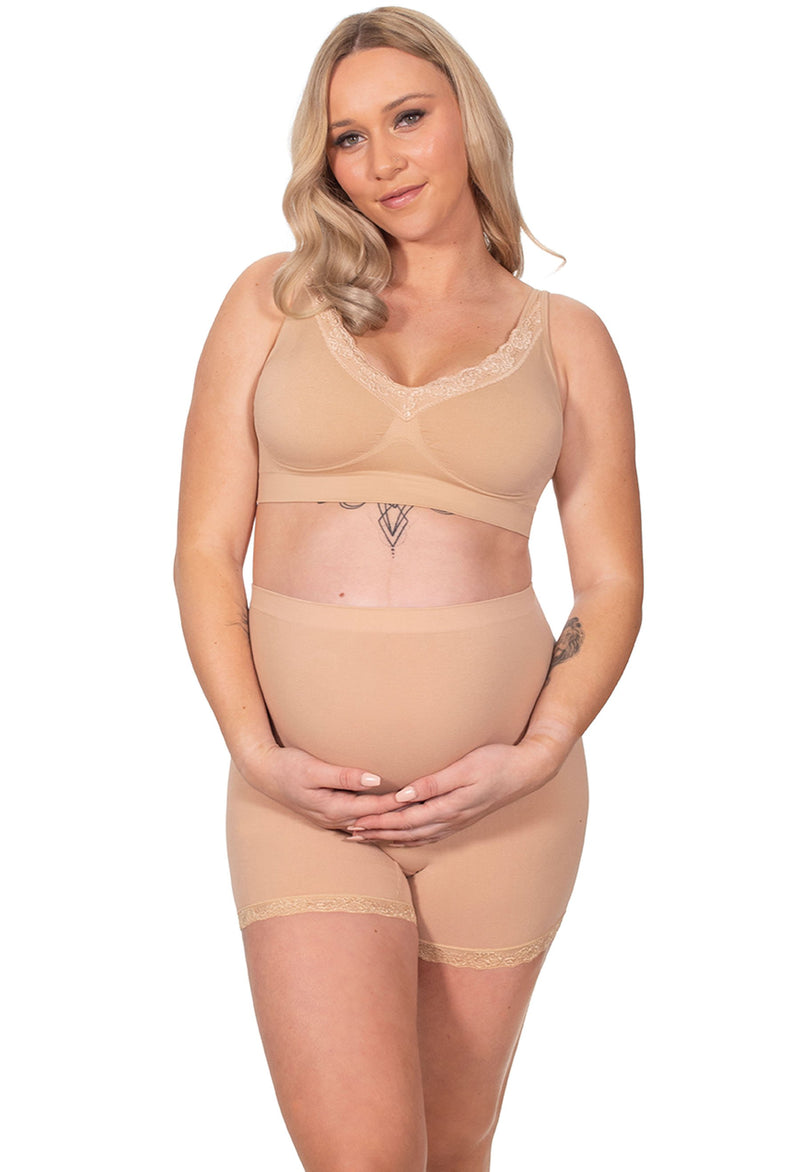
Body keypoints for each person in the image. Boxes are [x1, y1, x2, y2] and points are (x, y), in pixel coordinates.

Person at [174, 7, 642, 1170]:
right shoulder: (271, 300)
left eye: (406, 117)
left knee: (456, 1147)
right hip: (304, 803)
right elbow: (202, 551)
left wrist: (535, 753)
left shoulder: (567, 338)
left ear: (466, 116)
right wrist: (253, 751)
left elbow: (610, 580)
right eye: (346, 137)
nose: (378, 160)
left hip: (504, 810)